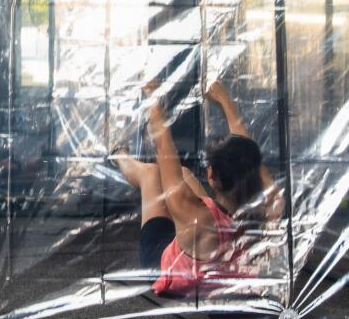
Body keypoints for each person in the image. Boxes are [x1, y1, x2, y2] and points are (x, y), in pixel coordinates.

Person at [112, 79, 283, 298]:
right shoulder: (270, 203)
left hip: (164, 267)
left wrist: (151, 94)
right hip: (212, 249)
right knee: (184, 174)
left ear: (211, 176)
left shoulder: (197, 216)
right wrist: (224, 100)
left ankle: (119, 156)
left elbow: (164, 146)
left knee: (151, 175)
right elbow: (248, 151)